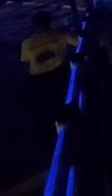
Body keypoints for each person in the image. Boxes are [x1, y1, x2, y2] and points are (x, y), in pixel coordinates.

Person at [20, 11, 78, 141]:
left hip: (38, 78)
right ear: (49, 22)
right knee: (64, 103)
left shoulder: (27, 43)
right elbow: (78, 41)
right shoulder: (60, 35)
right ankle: (69, 131)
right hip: (59, 73)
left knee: (49, 109)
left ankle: (60, 137)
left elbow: (25, 64)